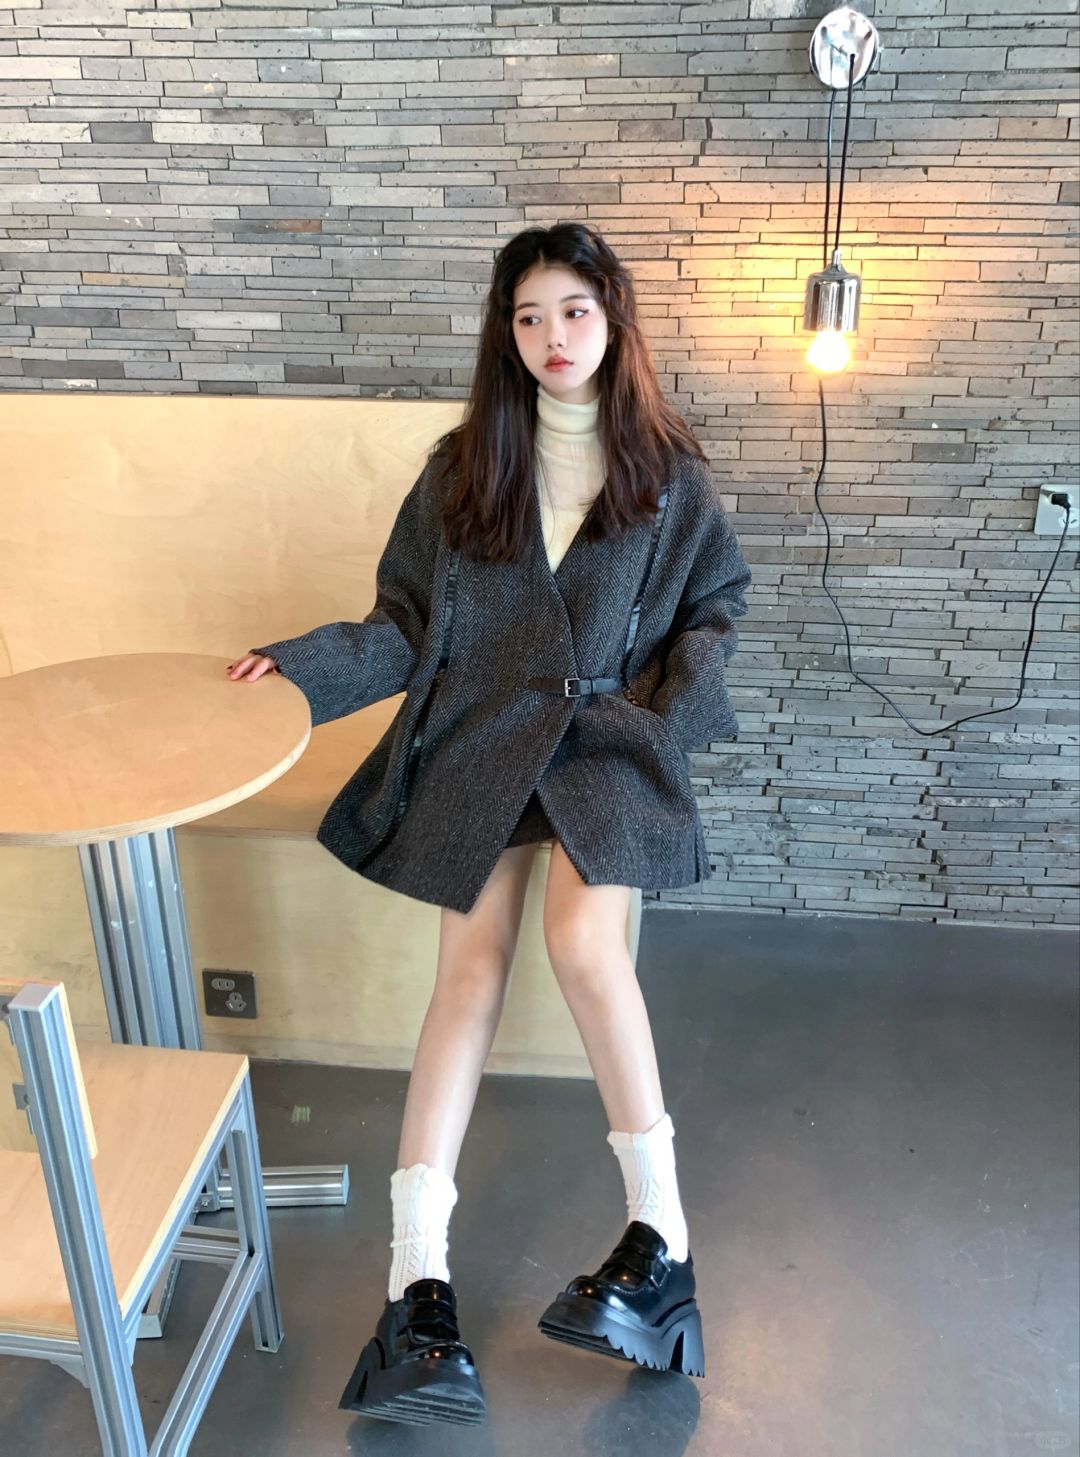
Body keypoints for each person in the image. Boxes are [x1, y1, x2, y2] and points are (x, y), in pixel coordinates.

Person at [226, 222, 752, 1427]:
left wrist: (669, 715)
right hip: (481, 738)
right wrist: (302, 666)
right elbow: (406, 621)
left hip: (607, 740)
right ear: (504, 333)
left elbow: (714, 603)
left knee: (582, 943)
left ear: (611, 319)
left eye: (574, 310)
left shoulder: (668, 471)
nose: (552, 336)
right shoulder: (467, 465)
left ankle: (662, 1238)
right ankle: (413, 1285)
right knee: (465, 975)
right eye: (528, 316)